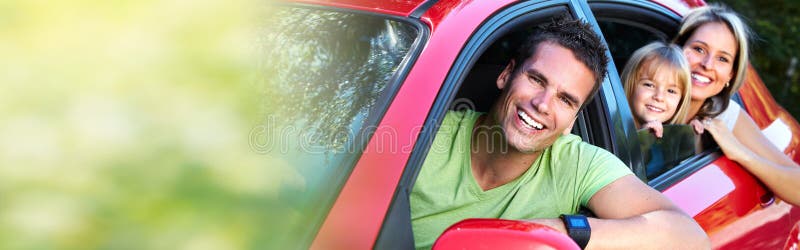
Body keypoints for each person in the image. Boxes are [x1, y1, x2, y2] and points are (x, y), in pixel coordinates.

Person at [410, 16, 708, 249]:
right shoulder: (424, 134)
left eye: (565, 100)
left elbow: (690, 238)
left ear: (573, 118)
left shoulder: (576, 164)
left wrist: (554, 232)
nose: (542, 104)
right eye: (537, 80)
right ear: (506, 74)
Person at [673, 4, 800, 206]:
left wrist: (740, 153)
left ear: (730, 75)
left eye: (722, 59)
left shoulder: (723, 116)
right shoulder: (642, 97)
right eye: (699, 49)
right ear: (675, 48)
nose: (707, 64)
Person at [621, 41, 692, 138]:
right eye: (649, 85)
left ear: (681, 101)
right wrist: (642, 139)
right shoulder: (611, 128)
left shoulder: (671, 141)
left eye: (671, 91)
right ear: (630, 84)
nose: (659, 97)